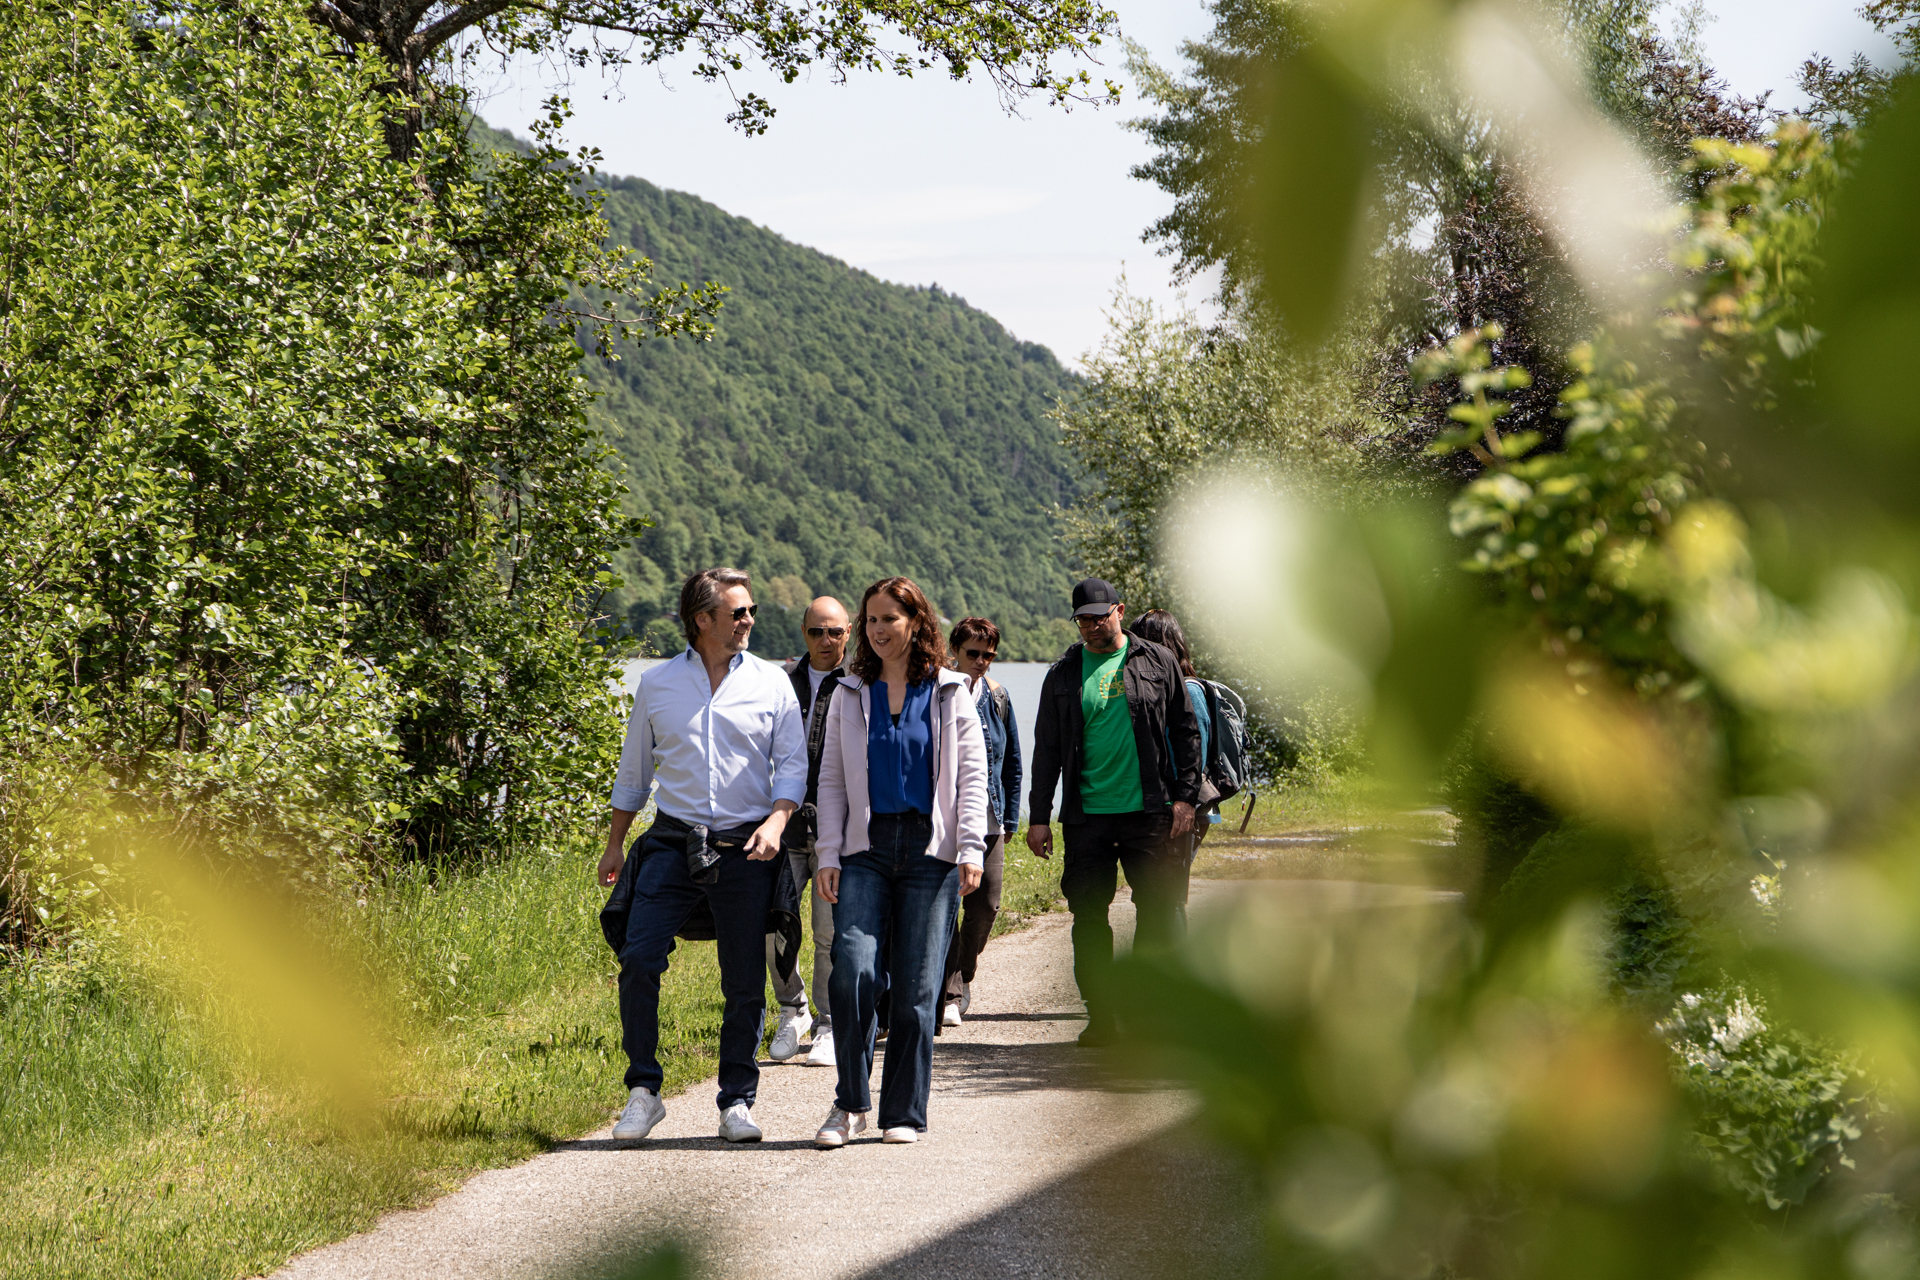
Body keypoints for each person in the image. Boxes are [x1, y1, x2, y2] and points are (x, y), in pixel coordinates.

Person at [598, 567, 806, 1143]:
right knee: (639, 957)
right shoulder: (658, 683)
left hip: (747, 846)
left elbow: (793, 764)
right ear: (702, 620)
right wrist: (615, 843)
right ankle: (643, 1092)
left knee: (743, 979)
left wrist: (778, 821)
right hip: (671, 842)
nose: (749, 620)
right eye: (738, 612)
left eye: (751, 610)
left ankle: (736, 1100)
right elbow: (635, 771)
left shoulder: (772, 682)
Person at [812, 577, 989, 1147]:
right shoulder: (849, 692)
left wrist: (970, 848)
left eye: (889, 618)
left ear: (917, 622)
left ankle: (903, 1113)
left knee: (916, 989)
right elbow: (831, 779)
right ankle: (849, 1105)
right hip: (863, 849)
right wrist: (828, 852)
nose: (878, 629)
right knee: (853, 970)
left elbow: (972, 776)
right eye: (870, 619)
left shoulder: (949, 691)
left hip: (928, 852)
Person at [1026, 578, 1203, 1048]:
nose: (1091, 626)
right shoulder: (1063, 674)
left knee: (1157, 912)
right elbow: (1046, 749)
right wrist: (1039, 817)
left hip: (1150, 812)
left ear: (1119, 611)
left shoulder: (1156, 660)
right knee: (1088, 918)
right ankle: (1101, 1015)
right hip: (1088, 818)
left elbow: (1185, 731)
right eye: (1082, 619)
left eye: (1099, 617)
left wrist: (1186, 798)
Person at [766, 596, 853, 1068]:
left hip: (835, 829)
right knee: (773, 923)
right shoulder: (780, 683)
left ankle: (829, 1023)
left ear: (849, 632)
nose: (826, 640)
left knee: (828, 932)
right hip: (783, 825)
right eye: (817, 631)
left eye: (835, 631)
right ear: (804, 633)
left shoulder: (862, 682)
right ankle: (792, 1008)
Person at [940, 616, 1022, 1026]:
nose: (981, 661)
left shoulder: (998, 697)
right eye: (973, 653)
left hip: (989, 821)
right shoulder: (938, 692)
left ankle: (962, 974)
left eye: (989, 655)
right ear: (954, 651)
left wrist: (1011, 819)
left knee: (986, 906)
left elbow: (1013, 764)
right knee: (943, 908)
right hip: (945, 821)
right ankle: (949, 993)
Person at [1125, 608, 1218, 928]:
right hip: (1162, 810)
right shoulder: (1162, 689)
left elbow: (1194, 754)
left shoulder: (1188, 690)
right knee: (1154, 895)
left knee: (1168, 896)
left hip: (1181, 811)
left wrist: (1180, 803)